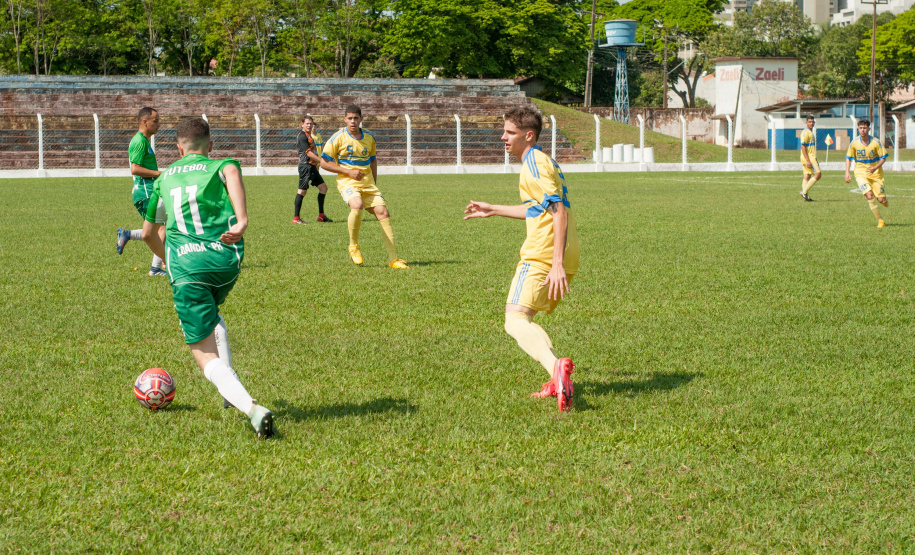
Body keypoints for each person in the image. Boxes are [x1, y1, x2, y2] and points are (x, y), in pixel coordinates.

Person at [141, 117, 275, 438]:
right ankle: (230, 393)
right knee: (212, 315)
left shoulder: (163, 179)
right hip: (225, 259)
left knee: (203, 353)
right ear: (209, 146)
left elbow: (148, 233)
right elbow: (231, 172)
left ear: (178, 147)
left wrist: (173, 260)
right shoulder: (220, 164)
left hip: (187, 268)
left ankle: (252, 409)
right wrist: (241, 220)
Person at [463, 105, 580, 412]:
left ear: (528, 135)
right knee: (524, 317)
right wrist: (494, 209)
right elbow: (536, 209)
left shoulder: (535, 164)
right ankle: (556, 378)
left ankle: (556, 368)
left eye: (509, 132)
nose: (503, 137)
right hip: (562, 250)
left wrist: (555, 264)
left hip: (544, 252)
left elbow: (559, 211)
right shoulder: (537, 160)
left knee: (514, 320)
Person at [320, 104, 408, 269]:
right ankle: (353, 247)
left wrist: (373, 183)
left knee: (383, 212)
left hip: (368, 184)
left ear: (361, 119)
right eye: (350, 118)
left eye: (356, 118)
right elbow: (324, 163)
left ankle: (393, 259)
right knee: (357, 204)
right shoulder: (338, 137)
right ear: (345, 119)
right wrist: (348, 171)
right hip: (347, 181)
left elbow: (373, 160)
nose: (353, 121)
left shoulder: (369, 137)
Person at [116, 107, 168, 276]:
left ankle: (128, 234)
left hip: (148, 191)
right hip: (146, 192)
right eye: (156, 121)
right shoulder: (139, 141)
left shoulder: (144, 141)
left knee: (160, 228)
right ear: (145, 122)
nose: (158, 124)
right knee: (161, 229)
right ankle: (157, 267)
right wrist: (159, 173)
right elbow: (135, 169)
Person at [845, 118, 888, 228]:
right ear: (858, 129)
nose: (862, 130)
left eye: (865, 128)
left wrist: (875, 167)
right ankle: (880, 220)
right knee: (869, 195)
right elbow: (848, 158)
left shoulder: (876, 142)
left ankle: (883, 200)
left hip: (876, 173)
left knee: (881, 199)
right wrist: (847, 173)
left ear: (869, 128)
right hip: (860, 173)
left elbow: (883, 157)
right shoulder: (854, 143)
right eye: (860, 128)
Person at [293, 115, 333, 224]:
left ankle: (321, 216)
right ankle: (296, 218)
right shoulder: (302, 136)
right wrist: (321, 161)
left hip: (312, 167)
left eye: (310, 123)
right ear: (302, 124)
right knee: (302, 191)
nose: (309, 125)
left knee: (323, 188)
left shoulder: (309, 135)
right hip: (305, 166)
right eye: (307, 123)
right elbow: (309, 153)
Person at [799, 115, 820, 202]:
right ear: (806, 122)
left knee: (807, 175)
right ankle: (804, 192)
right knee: (818, 174)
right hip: (808, 157)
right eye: (809, 122)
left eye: (812, 122)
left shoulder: (810, 132)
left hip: (809, 157)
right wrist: (808, 160)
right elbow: (803, 146)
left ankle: (806, 197)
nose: (811, 123)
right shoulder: (806, 133)